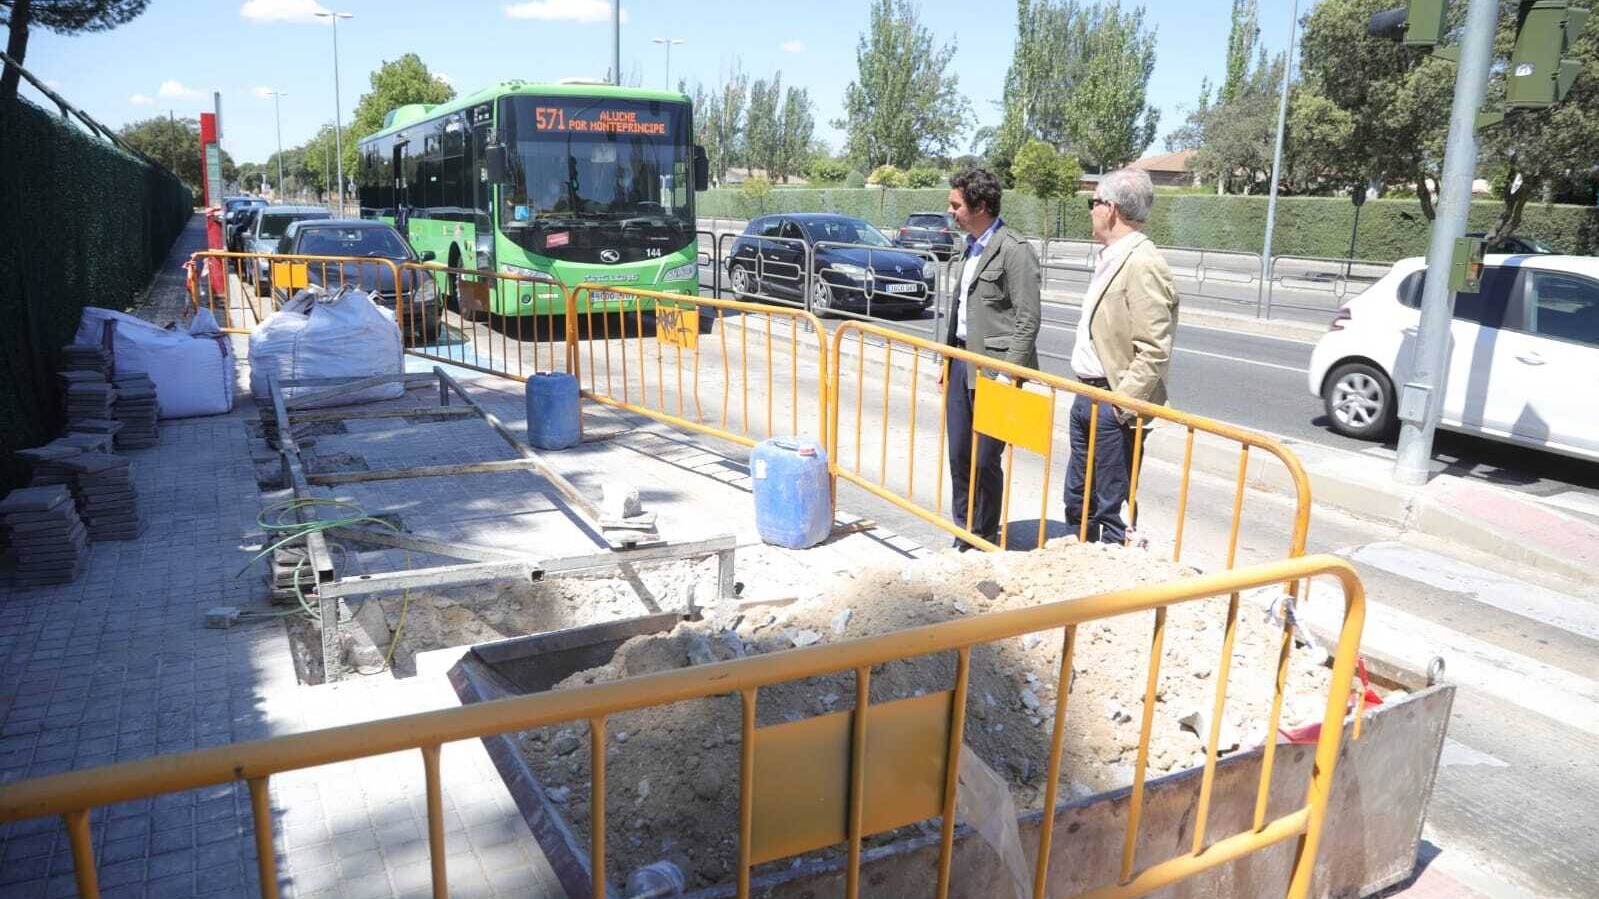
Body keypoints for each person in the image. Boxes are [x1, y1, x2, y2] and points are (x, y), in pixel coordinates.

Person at [1064, 168, 1178, 544]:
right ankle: (1077, 583)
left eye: (1093, 202)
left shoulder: (1143, 263)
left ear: (1110, 208)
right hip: (1088, 394)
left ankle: (1110, 591)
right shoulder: (1113, 256)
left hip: (1113, 402)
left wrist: (1120, 405)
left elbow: (1155, 348)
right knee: (1078, 503)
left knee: (1110, 510)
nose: (1090, 211)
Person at [943, 168, 1042, 550]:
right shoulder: (969, 246)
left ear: (980, 205)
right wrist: (948, 360)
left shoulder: (1014, 250)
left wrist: (1007, 375)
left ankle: (983, 535)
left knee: (985, 460)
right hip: (960, 363)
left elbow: (1027, 318)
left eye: (956, 205)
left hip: (995, 372)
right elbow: (962, 309)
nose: (951, 211)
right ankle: (963, 530)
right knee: (959, 455)